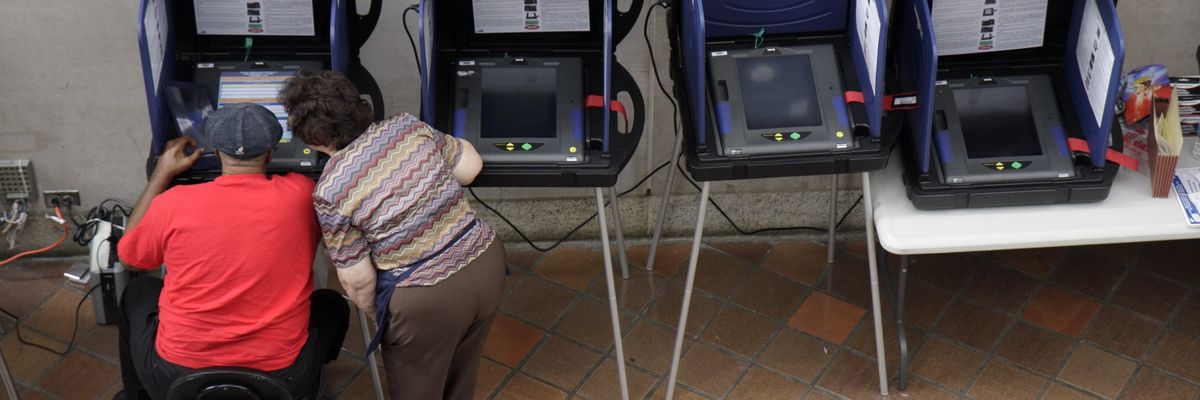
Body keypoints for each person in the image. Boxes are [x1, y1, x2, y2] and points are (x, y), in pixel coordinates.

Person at [279, 69, 505, 399]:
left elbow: (357, 280)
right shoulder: (406, 126)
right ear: (359, 105)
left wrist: (383, 320)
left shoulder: (330, 189)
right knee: (461, 377)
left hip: (426, 298)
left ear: (313, 139)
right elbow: (469, 168)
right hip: (485, 261)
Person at [115, 103, 349, 400]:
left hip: (173, 373)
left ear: (215, 152)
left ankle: (138, 395)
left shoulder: (173, 202)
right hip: (283, 376)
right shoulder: (302, 194)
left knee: (138, 291)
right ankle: (310, 386)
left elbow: (130, 256)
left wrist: (160, 175)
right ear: (272, 152)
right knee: (330, 304)